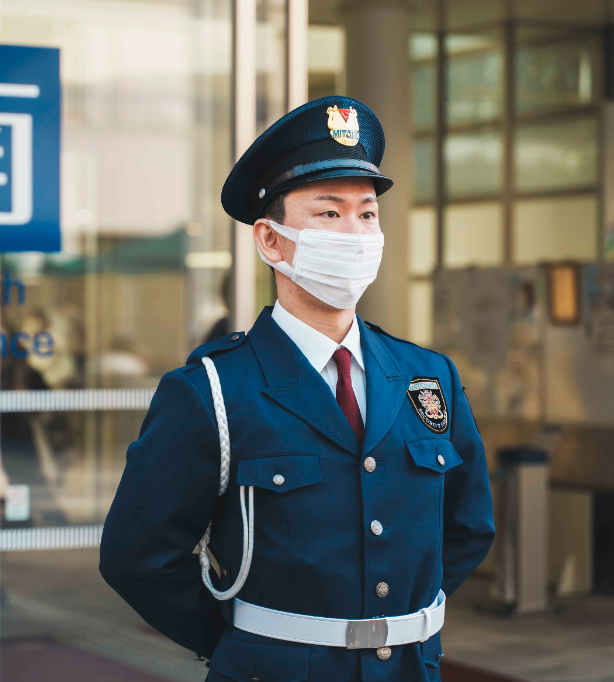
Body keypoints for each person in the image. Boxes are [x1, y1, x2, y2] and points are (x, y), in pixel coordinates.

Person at [100, 96, 494, 681]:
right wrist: (248, 643)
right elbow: (138, 556)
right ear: (271, 241)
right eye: (329, 213)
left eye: (367, 214)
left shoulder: (428, 376)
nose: (355, 233)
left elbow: (468, 526)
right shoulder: (213, 390)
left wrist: (400, 623)